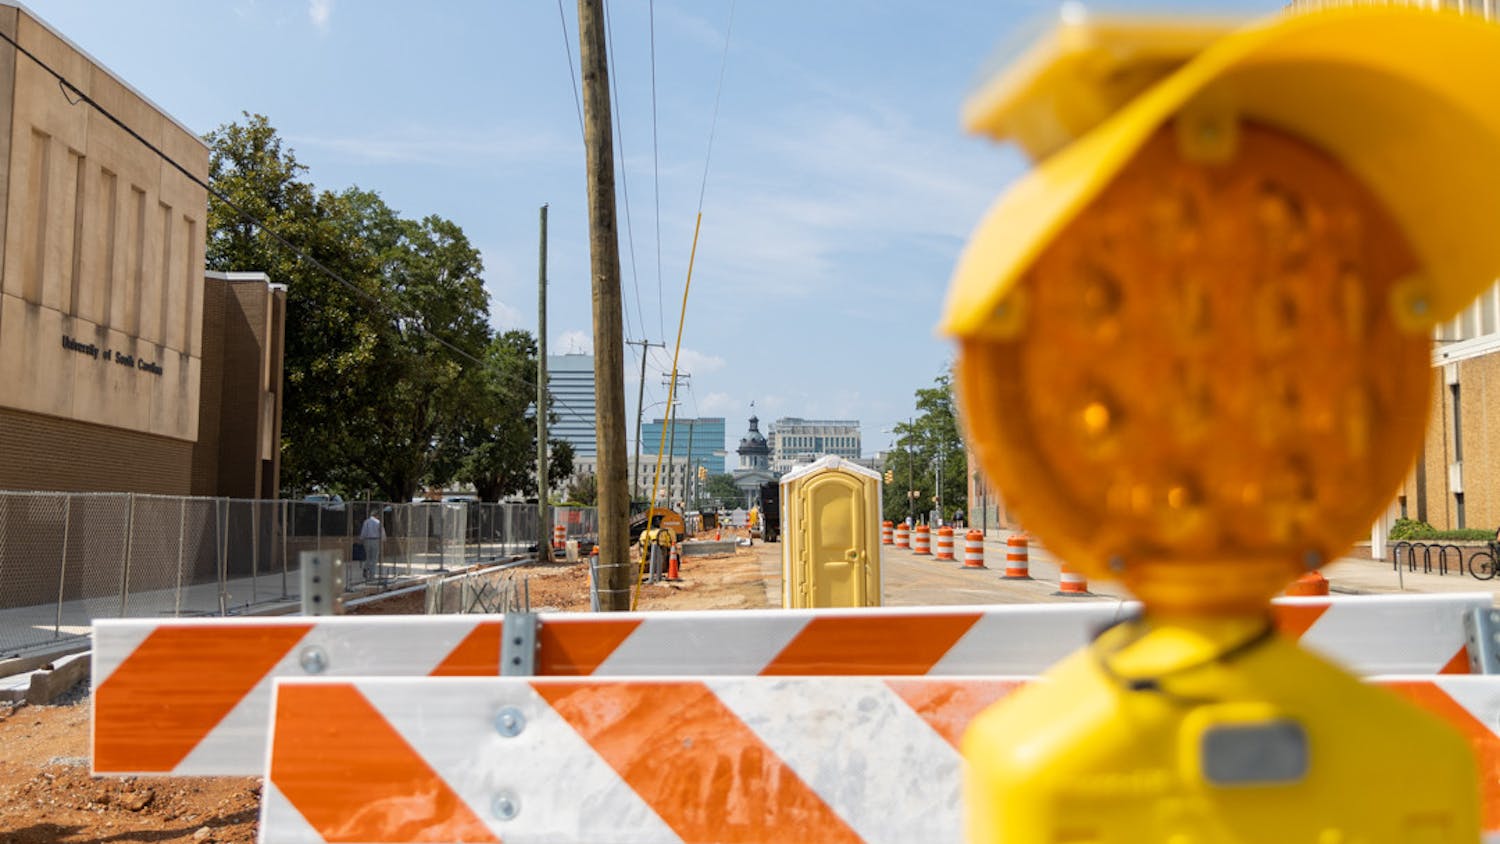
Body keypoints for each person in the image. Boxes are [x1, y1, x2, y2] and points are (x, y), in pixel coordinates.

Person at [359, 513, 385, 579]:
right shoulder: (378, 522)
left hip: (367, 540)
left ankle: (365, 568)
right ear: (376, 515)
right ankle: (371, 576)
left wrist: (361, 539)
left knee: (368, 557)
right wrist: (383, 540)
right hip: (375, 540)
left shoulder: (366, 522)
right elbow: (382, 532)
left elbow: (363, 532)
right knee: (374, 558)